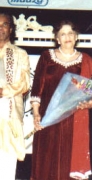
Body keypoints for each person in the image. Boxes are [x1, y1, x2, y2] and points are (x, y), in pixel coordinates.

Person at [30, 20, 92, 180]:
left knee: (68, 164)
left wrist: (91, 102)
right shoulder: (47, 57)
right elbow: (37, 88)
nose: (67, 36)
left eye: (71, 33)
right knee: (47, 164)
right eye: (63, 34)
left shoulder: (86, 61)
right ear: (57, 39)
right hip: (49, 118)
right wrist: (36, 114)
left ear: (76, 37)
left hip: (72, 121)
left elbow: (91, 93)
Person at [0, 12, 30, 180]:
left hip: (10, 117)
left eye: (4, 24)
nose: (0, 28)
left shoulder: (20, 54)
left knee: (7, 167)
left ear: (10, 29)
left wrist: (3, 92)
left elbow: (25, 82)